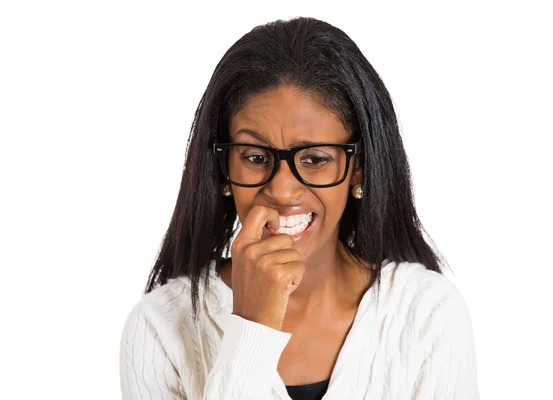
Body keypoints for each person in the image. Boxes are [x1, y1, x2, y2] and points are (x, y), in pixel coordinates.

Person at [119, 16, 479, 400]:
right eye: (256, 157)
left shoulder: (427, 314)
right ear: (222, 168)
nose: (282, 190)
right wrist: (252, 329)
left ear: (358, 168)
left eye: (315, 159)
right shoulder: (158, 327)